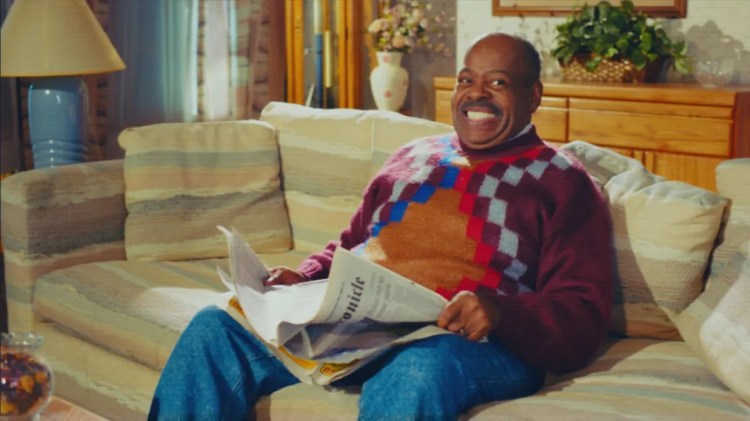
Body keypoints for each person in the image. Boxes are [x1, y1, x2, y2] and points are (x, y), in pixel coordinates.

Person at [148, 32, 613, 420]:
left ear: (533, 96)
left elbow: (583, 312)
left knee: (416, 371)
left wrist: (501, 311)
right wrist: (302, 276)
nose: (476, 94)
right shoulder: (413, 156)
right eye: (466, 80)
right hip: (361, 329)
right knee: (216, 326)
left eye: (498, 82)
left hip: (465, 344)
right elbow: (353, 244)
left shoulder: (561, 180)